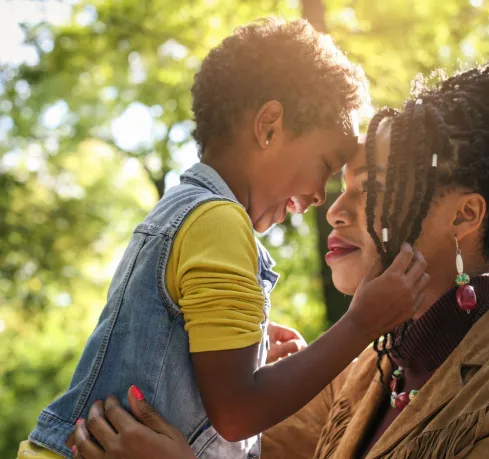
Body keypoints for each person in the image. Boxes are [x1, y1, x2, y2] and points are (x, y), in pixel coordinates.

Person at [72, 55, 489, 459]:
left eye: (374, 187)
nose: (335, 210)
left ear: (465, 216)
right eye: (341, 184)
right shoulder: (354, 373)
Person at [18, 18, 431, 459]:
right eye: (326, 165)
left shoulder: (184, 211)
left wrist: (251, 356)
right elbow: (237, 413)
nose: (317, 197)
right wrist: (360, 324)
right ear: (269, 126)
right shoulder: (219, 222)